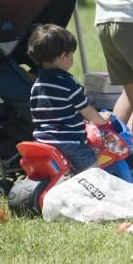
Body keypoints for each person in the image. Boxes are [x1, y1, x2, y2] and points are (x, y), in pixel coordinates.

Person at [27, 24, 111, 172]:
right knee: (95, 172)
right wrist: (102, 120)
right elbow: (88, 112)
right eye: (71, 54)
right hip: (69, 142)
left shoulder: (37, 85)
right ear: (63, 56)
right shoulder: (68, 84)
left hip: (42, 140)